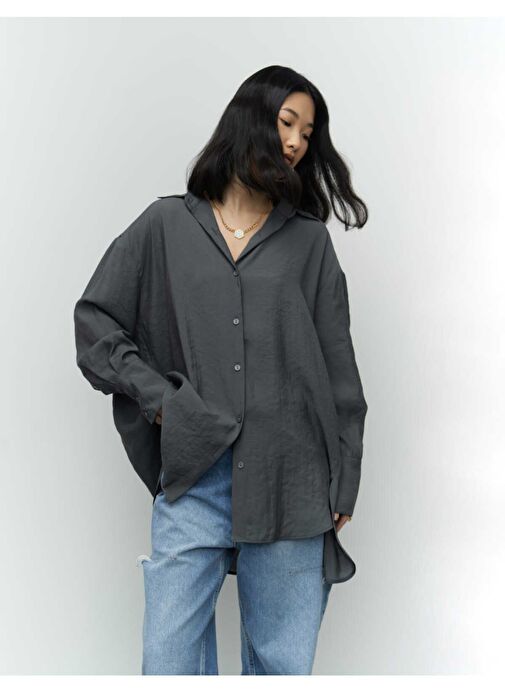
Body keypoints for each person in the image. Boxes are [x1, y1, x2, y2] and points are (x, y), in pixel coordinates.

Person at [73, 64, 368, 675]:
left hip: (291, 480)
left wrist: (344, 478)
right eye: (287, 122)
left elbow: (339, 370)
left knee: (281, 670)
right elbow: (95, 322)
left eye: (307, 133)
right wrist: (162, 400)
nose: (296, 142)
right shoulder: (165, 225)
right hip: (197, 473)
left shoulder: (309, 242)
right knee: (168, 663)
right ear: (249, 118)